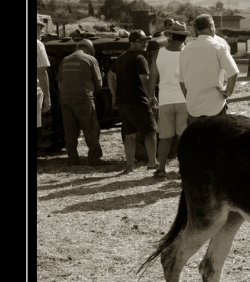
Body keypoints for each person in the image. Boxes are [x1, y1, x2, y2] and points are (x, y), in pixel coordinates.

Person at [108, 29, 158, 174]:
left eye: (146, 41)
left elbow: (110, 76)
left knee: (130, 135)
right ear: (132, 43)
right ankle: (153, 163)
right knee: (151, 131)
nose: (145, 43)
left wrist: (113, 95)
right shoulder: (139, 58)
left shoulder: (121, 58)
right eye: (141, 41)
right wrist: (151, 97)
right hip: (137, 101)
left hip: (123, 103)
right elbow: (145, 81)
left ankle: (129, 167)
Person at [178, 13, 239, 125]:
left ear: (197, 29)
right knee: (217, 141)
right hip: (215, 105)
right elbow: (233, 72)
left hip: (194, 107)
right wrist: (228, 92)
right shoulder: (219, 47)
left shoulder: (185, 50)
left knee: (197, 142)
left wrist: (189, 97)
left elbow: (181, 80)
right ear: (212, 27)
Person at [148, 21, 190, 179]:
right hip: (185, 99)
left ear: (171, 35)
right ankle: (182, 169)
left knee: (165, 137)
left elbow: (153, 77)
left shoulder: (159, 53)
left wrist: (151, 96)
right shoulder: (187, 52)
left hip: (165, 99)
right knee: (182, 137)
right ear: (184, 36)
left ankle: (161, 169)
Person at [55, 39, 104, 166]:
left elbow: (59, 83)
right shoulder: (90, 59)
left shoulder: (65, 60)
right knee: (91, 129)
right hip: (83, 99)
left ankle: (73, 160)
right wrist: (92, 94)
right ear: (88, 49)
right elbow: (99, 83)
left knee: (70, 131)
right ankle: (94, 159)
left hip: (64, 99)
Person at [36, 18, 51, 149]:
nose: (41, 32)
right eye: (40, 28)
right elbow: (41, 72)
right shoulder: (38, 45)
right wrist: (47, 96)